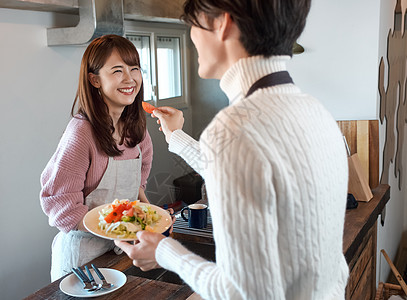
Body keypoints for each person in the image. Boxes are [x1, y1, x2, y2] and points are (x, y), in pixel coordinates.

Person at [115, 0, 349, 299]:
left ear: (222, 23)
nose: (192, 36)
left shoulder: (235, 128)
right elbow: (251, 169)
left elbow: (240, 293)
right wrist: (176, 137)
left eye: (193, 24)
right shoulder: (315, 111)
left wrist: (165, 252)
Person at [40, 34, 153, 281]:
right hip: (82, 261)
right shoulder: (81, 132)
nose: (130, 78)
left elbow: (138, 187)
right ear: (95, 80)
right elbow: (62, 204)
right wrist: (117, 230)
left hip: (119, 251)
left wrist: (150, 220)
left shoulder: (137, 129)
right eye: (117, 70)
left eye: (134, 68)